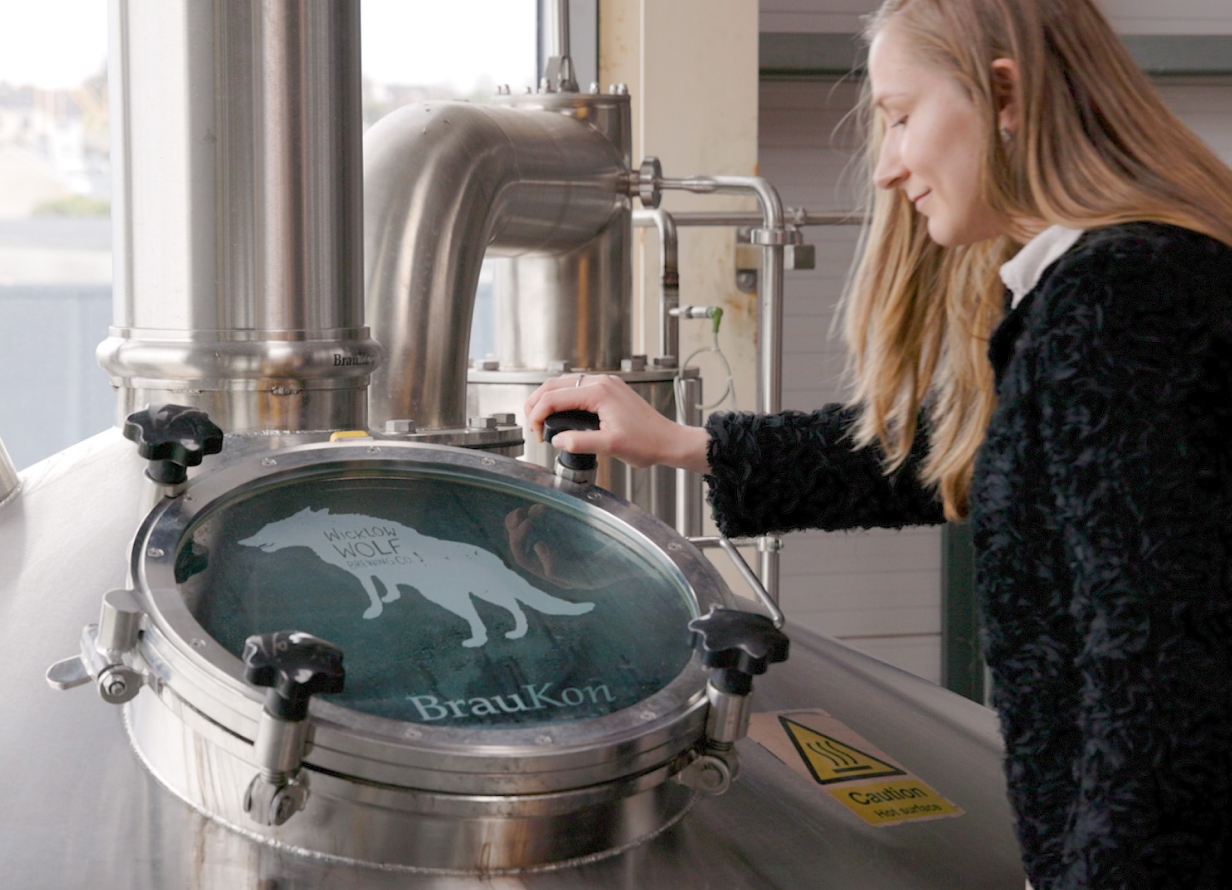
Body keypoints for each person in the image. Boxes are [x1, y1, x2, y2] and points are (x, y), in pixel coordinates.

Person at [524, 0, 1232, 887]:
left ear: (1003, 96)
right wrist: (686, 444)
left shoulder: (1121, 299)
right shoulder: (1122, 280)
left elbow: (1155, 666)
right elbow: (976, 444)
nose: (890, 165)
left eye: (901, 117)